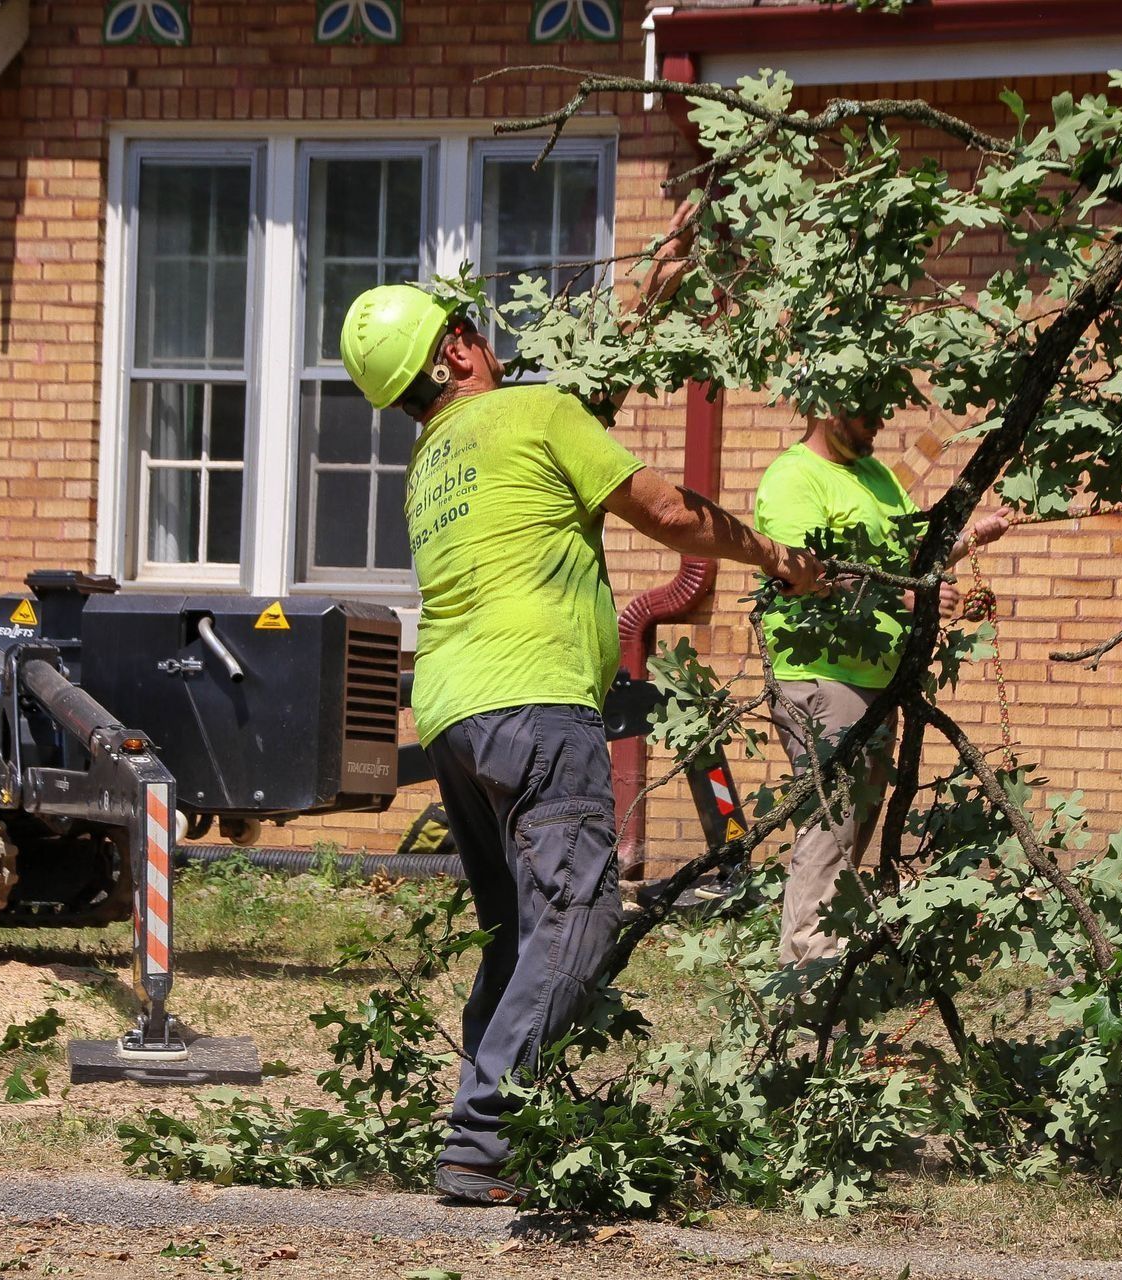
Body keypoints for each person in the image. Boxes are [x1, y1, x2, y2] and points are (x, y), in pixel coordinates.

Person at [338, 276, 824, 1207]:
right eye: (468, 329)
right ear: (454, 353)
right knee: (581, 917)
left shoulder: (433, 464)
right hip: (535, 706)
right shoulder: (533, 414)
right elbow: (671, 515)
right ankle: (482, 1142)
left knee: (519, 932)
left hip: (453, 717)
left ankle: (478, 1132)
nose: (485, 339)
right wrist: (773, 556)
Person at [754, 410, 1010, 968]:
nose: (878, 421)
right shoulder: (793, 478)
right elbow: (805, 574)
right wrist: (908, 600)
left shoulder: (875, 474)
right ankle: (811, 976)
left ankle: (811, 967)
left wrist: (966, 542)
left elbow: (904, 563)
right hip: (822, 678)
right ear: (826, 407)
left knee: (849, 829)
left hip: (874, 678)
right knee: (833, 826)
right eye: (865, 408)